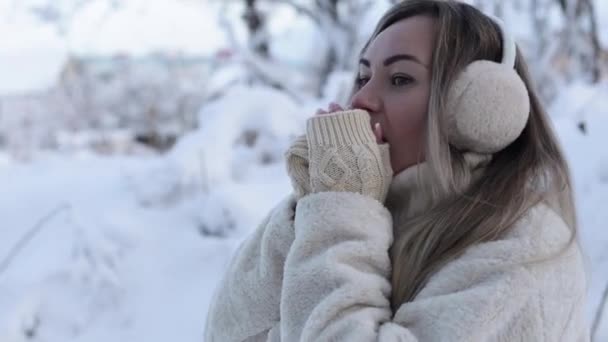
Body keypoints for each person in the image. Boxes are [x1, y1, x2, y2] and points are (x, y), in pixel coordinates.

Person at [204, 0, 589, 341]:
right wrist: (309, 207)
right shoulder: (366, 211)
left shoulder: (523, 253)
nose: (361, 99)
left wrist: (340, 208)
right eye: (362, 76)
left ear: (476, 107)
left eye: (400, 79)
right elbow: (231, 330)